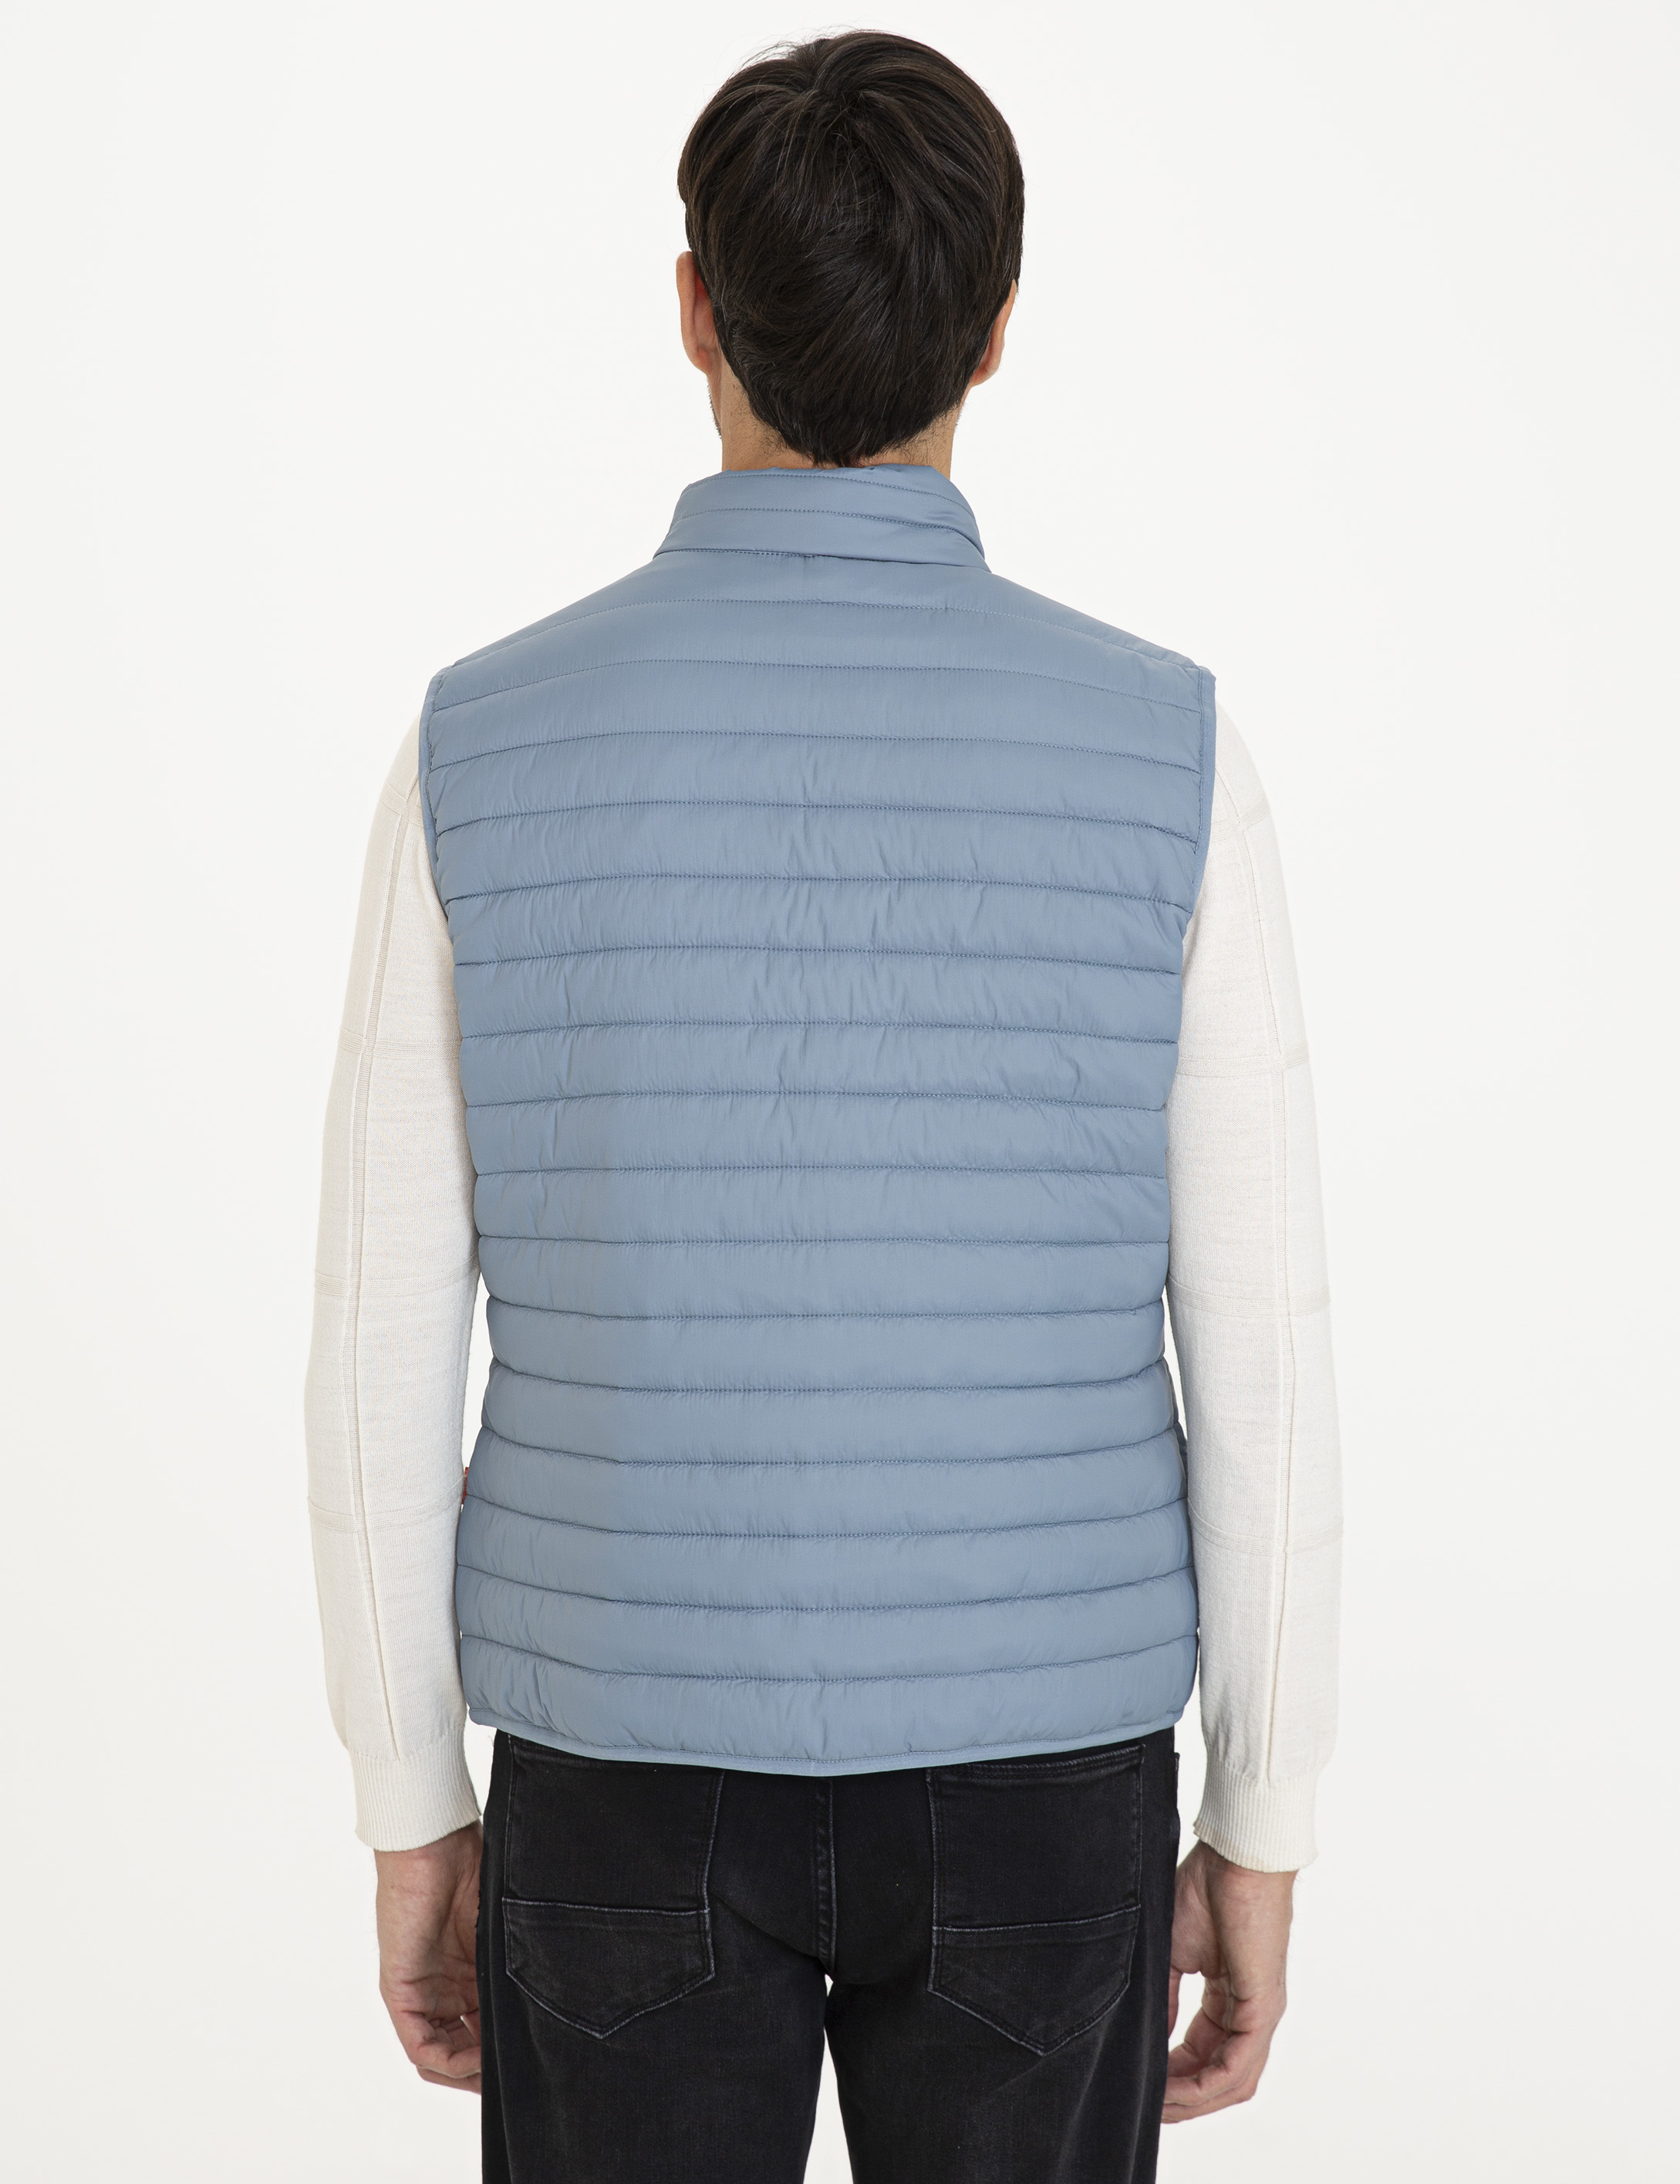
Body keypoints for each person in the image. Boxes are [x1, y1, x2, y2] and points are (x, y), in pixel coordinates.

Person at [305, 30, 1341, 2183]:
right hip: (1046, 1777)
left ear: (694, 307)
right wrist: (1262, 1818)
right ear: (997, 323)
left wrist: (409, 1800)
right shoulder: (1171, 755)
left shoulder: (477, 746)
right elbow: (1261, 1357)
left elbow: (377, 1347)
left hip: (617, 1768)